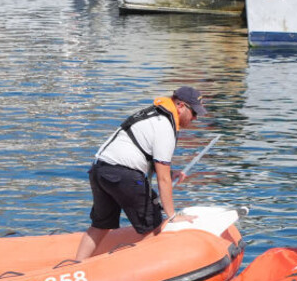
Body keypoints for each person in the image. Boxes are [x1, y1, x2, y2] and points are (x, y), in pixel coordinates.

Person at [74, 87, 206, 261]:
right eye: (194, 112)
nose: (195, 118)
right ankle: (152, 271)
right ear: (180, 105)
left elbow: (142, 151)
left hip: (100, 170)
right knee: (154, 224)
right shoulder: (165, 126)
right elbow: (163, 178)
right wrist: (173, 216)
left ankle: (76, 265)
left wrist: (171, 171)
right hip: (123, 174)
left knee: (101, 224)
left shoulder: (152, 114)